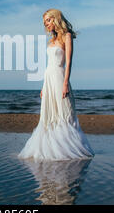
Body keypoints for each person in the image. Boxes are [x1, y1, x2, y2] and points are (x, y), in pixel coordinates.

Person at [18, 9, 94, 161]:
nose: (46, 24)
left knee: (64, 112)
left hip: (60, 78)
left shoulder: (67, 36)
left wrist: (65, 83)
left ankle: (67, 148)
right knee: (49, 114)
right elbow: (49, 65)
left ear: (56, 19)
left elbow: (69, 62)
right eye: (44, 22)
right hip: (49, 79)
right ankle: (51, 148)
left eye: (48, 20)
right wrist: (43, 86)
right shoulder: (51, 41)